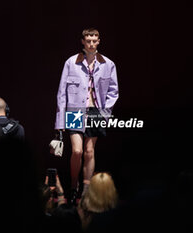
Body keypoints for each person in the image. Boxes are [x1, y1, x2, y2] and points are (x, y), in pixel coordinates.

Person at [54, 28, 119, 205]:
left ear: (99, 41)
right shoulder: (71, 63)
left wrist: (105, 113)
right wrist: (60, 121)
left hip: (96, 111)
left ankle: (86, 191)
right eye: (88, 40)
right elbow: (62, 93)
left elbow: (114, 92)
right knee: (77, 151)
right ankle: (73, 186)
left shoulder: (108, 64)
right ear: (82, 41)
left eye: (94, 40)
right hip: (74, 111)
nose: (91, 44)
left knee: (90, 152)